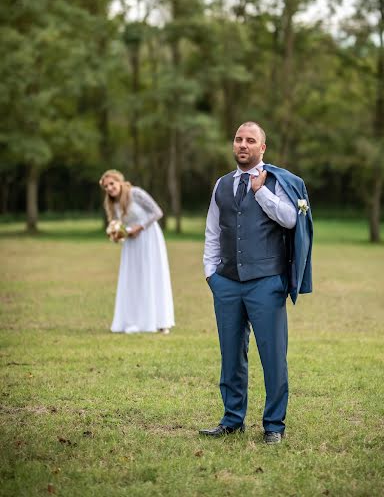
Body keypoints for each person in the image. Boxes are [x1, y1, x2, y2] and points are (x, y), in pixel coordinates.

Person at [201, 122, 313, 444]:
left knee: (273, 356)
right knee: (231, 355)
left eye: (251, 140)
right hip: (226, 282)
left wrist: (260, 191)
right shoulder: (221, 185)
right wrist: (211, 273)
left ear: (263, 147)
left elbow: (291, 219)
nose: (243, 145)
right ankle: (232, 419)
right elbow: (213, 231)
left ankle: (274, 426)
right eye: (238, 139)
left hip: (266, 283)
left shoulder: (276, 182)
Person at [99, 169, 175, 334]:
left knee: (151, 275)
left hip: (149, 238)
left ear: (119, 181)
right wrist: (119, 232)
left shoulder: (136, 193)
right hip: (131, 244)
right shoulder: (112, 204)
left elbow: (157, 212)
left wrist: (139, 227)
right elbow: (120, 223)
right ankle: (133, 320)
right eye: (106, 187)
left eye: (112, 184)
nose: (110, 188)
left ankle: (160, 321)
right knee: (133, 279)